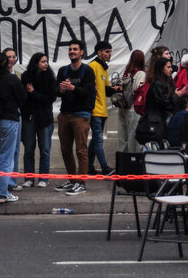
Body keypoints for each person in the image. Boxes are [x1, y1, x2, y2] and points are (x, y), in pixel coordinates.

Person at [0, 52, 26, 203]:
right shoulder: (11, 79)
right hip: (8, 120)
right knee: (6, 157)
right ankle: (2, 193)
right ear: (6, 63)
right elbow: (22, 98)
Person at [54, 40, 96, 196]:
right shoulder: (63, 71)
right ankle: (72, 180)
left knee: (81, 150)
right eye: (70, 49)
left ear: (82, 52)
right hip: (65, 115)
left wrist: (72, 88)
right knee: (65, 150)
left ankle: (81, 183)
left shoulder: (87, 71)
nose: (72, 51)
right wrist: (62, 89)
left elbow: (88, 92)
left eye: (75, 49)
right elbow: (56, 91)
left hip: (81, 116)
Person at [19, 52, 56, 188]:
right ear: (36, 63)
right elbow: (23, 97)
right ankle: (29, 178)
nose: (46, 64)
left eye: (46, 61)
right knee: (29, 149)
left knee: (45, 149)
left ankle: (43, 178)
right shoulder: (26, 76)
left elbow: (50, 98)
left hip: (44, 118)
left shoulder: (50, 78)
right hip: (29, 117)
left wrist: (34, 93)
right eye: (43, 61)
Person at [87, 40, 116, 176]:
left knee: (95, 140)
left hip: (102, 109)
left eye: (110, 51)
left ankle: (89, 168)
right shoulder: (92, 66)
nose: (109, 54)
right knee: (98, 139)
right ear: (99, 53)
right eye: (107, 51)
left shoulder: (104, 68)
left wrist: (115, 89)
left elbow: (105, 89)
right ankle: (104, 167)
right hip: (95, 110)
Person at [116, 49, 147, 154]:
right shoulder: (141, 74)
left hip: (122, 108)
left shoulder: (126, 73)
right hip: (133, 109)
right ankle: (132, 165)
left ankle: (122, 164)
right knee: (133, 139)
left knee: (122, 139)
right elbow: (140, 89)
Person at [143, 57, 176, 144]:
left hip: (162, 119)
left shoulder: (167, 82)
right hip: (156, 121)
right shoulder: (157, 84)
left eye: (171, 67)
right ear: (161, 69)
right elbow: (162, 102)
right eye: (168, 67)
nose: (171, 70)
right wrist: (175, 97)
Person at [2, 47, 22, 195]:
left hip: (17, 113)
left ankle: (12, 181)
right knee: (4, 151)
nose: (12, 59)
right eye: (9, 57)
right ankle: (3, 181)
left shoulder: (19, 75)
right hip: (4, 115)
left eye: (14, 57)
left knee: (15, 149)